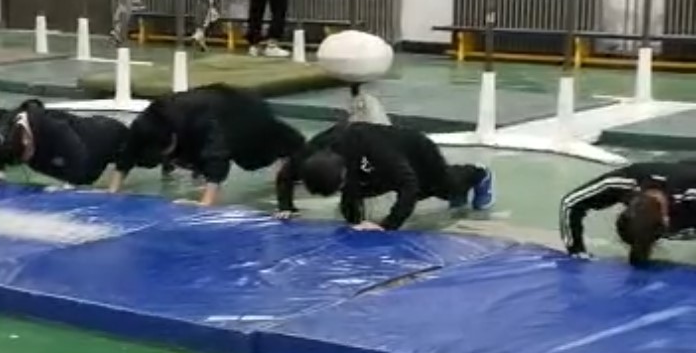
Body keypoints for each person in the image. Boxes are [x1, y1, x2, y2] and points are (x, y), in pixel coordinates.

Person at [279, 116, 493, 230]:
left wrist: (386, 226)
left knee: (440, 188)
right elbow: (285, 176)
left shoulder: (377, 150)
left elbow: (408, 185)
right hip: (364, 166)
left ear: (343, 171)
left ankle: (478, 174)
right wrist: (286, 207)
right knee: (352, 200)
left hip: (415, 150)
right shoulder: (310, 153)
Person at [109, 84, 302, 209]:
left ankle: (293, 150)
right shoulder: (145, 123)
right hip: (204, 109)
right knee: (184, 155)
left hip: (240, 108)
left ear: (173, 137)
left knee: (252, 158)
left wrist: (205, 202)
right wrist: (113, 190)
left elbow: (217, 155)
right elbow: (128, 151)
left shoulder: (203, 122)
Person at [559, 158, 696, 264]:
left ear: (666, 221)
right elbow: (570, 203)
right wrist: (576, 251)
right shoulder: (623, 182)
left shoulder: (689, 198)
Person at [0, 99, 129, 188]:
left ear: (26, 140)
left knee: (85, 177)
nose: (25, 162)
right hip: (57, 141)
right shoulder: (3, 133)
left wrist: (70, 183)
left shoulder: (54, 128)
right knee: (37, 162)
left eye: (26, 155)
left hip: (105, 135)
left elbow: (78, 155)